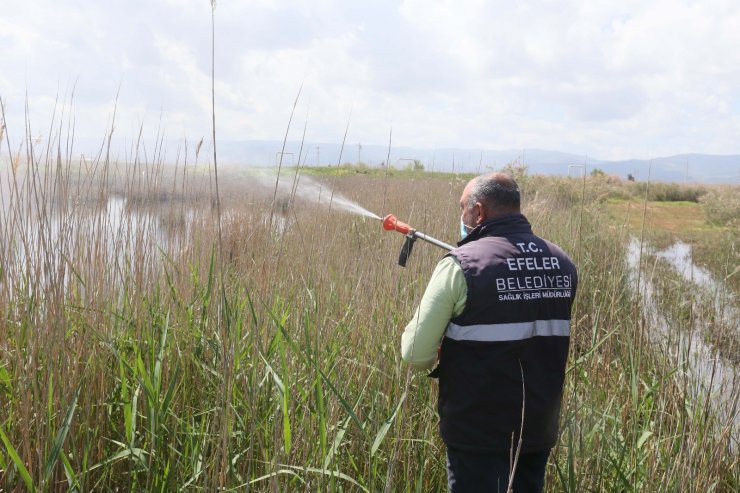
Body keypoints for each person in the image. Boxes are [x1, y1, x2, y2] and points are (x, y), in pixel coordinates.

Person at [401, 173, 578, 493]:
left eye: (462, 209)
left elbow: (414, 354)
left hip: (477, 435)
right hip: (537, 429)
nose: (461, 217)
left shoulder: (460, 265)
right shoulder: (563, 262)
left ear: (478, 212)